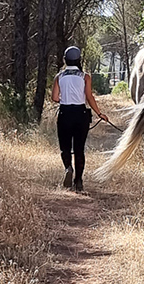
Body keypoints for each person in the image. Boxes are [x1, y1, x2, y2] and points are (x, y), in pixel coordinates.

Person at [51, 46, 108, 192]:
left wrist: (65, 100)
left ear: (65, 59)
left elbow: (54, 98)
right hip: (80, 114)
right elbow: (89, 97)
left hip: (64, 114)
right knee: (79, 149)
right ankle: (79, 181)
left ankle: (68, 168)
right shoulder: (85, 77)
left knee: (65, 148)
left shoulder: (59, 77)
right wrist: (99, 113)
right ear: (78, 60)